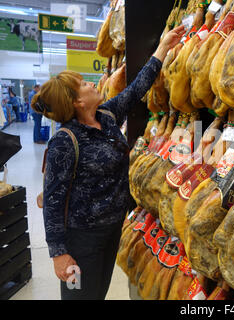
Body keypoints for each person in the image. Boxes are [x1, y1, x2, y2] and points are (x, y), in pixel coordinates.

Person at [30, 25, 185, 300]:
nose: (92, 83)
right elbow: (52, 203)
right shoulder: (65, 141)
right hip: (80, 239)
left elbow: (136, 90)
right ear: (77, 101)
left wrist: (163, 47)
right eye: (84, 84)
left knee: (97, 293)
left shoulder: (106, 116)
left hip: (112, 229)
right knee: (78, 296)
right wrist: (58, 254)